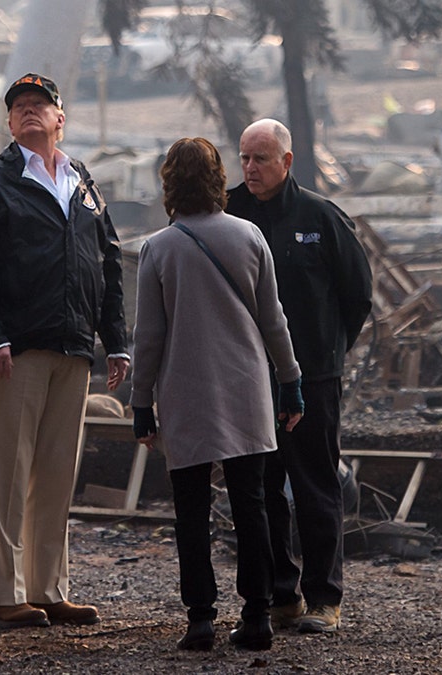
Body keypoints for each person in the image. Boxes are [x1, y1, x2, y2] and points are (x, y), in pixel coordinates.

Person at [0, 73, 129, 630]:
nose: (30, 111)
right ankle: (4, 596)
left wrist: (116, 340)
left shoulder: (83, 185)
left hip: (73, 346)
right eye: (19, 106)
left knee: (56, 472)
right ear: (8, 122)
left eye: (40, 105)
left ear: (60, 118)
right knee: (8, 473)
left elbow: (110, 265)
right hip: (15, 348)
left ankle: (49, 589)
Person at [131, 137, 304, 652]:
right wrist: (291, 382)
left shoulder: (158, 248)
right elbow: (274, 320)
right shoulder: (250, 236)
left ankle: (201, 620)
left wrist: (142, 404)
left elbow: (149, 337)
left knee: (191, 510)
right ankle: (257, 618)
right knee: (252, 506)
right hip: (247, 389)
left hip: (186, 394)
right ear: (217, 178)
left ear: (169, 182)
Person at [226, 118, 373, 634]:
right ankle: (279, 595)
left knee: (314, 488)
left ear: (286, 162)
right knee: (260, 491)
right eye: (244, 158)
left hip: (312, 379)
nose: (250, 168)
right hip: (248, 377)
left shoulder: (320, 217)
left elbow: (357, 296)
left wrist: (328, 353)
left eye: (261, 158)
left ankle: (324, 598)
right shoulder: (229, 213)